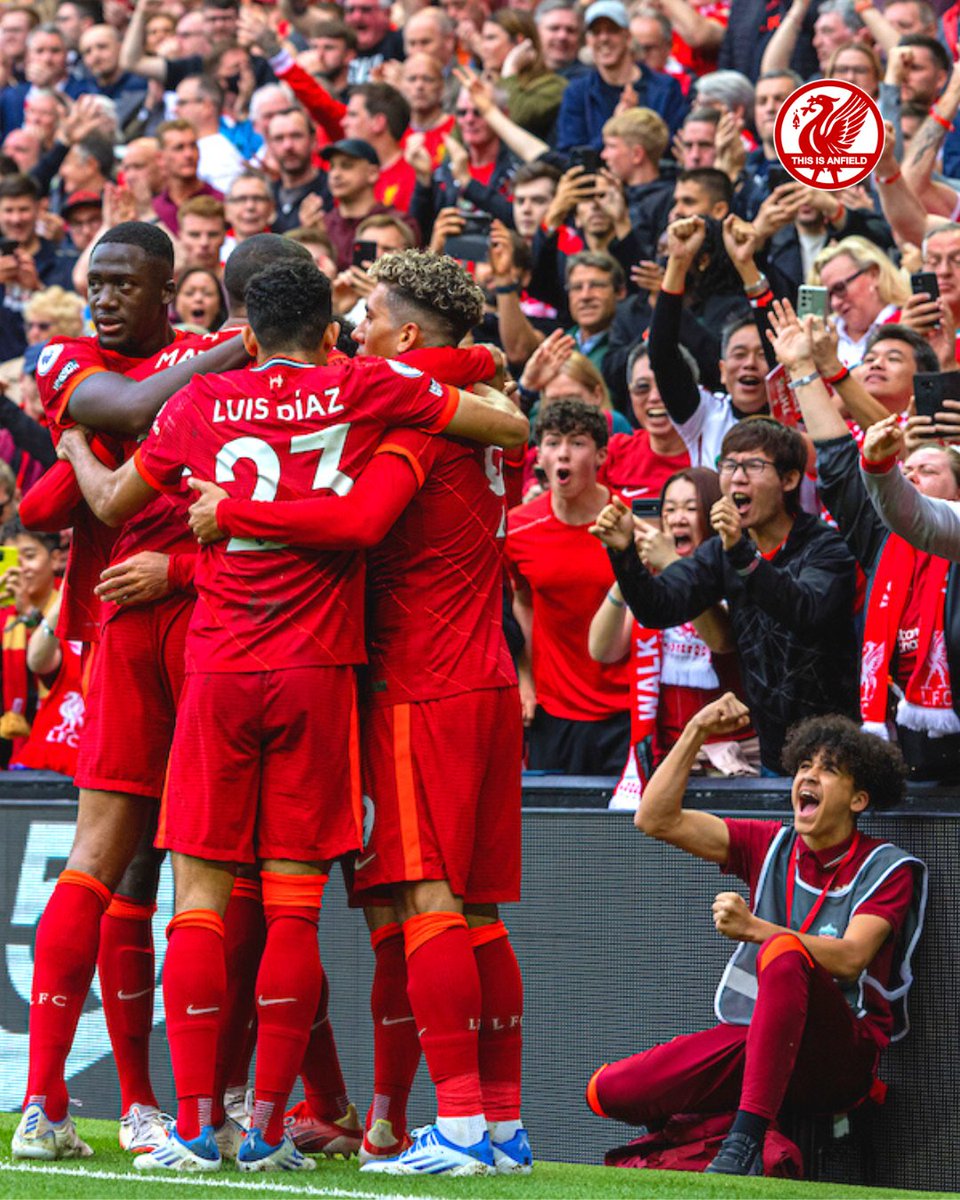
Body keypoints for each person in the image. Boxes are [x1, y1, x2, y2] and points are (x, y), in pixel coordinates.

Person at [56, 257, 527, 1172]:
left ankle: (206, 1124)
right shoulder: (364, 390)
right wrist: (479, 367)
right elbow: (504, 414)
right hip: (368, 671)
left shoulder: (212, 401)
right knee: (336, 911)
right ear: (321, 330)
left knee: (208, 898)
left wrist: (104, 451)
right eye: (347, 318)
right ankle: (294, 1124)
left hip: (281, 670)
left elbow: (110, 502)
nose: (358, 328)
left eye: (373, 315)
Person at [10, 222, 250, 1164]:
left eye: (123, 284)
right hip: (121, 637)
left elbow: (57, 499)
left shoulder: (199, 355)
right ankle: (74, 1103)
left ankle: (211, 1103)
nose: (104, 297)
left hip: (204, 622)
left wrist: (83, 454)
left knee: (198, 875)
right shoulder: (69, 355)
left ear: (167, 292)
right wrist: (244, 341)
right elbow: (137, 403)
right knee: (120, 865)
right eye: (94, 281)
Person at [586, 696, 926, 1177]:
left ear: (858, 799)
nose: (808, 776)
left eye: (828, 770)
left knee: (785, 952)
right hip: (759, 1042)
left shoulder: (886, 867)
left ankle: (741, 1142)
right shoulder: (770, 843)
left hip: (840, 1059)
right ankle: (739, 1130)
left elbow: (851, 958)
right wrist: (697, 729)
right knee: (608, 1090)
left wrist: (754, 929)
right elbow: (654, 818)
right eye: (803, 765)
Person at [590, 417, 860, 773]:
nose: (737, 476)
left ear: (790, 479)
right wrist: (623, 553)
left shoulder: (826, 547)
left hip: (838, 752)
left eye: (753, 466)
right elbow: (659, 608)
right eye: (729, 465)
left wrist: (740, 554)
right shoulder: (721, 550)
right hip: (773, 756)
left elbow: (804, 611)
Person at [769, 302, 960, 781]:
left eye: (928, 470)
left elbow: (919, 514)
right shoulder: (884, 534)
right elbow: (836, 456)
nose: (911, 476)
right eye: (906, 469)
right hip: (906, 748)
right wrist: (800, 369)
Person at [589, 467, 756, 809]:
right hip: (669, 753)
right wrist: (629, 572)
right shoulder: (653, 587)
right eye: (669, 510)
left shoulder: (732, 570)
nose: (677, 518)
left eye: (690, 509)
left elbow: (722, 641)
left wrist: (672, 564)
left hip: (734, 756)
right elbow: (602, 650)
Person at [506, 398, 631, 773]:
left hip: (624, 709)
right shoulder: (518, 528)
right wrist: (525, 680)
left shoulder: (628, 524)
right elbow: (522, 601)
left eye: (577, 443)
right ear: (538, 456)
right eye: (553, 442)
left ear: (601, 456)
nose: (564, 454)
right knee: (554, 830)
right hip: (551, 710)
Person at [555, 0, 687, 150]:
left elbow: (674, 149)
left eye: (612, 30)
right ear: (588, 41)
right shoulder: (577, 92)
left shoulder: (665, 89)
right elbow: (571, 155)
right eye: (596, 32)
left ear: (628, 37)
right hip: (596, 174)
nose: (604, 38)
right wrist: (615, 127)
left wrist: (638, 128)